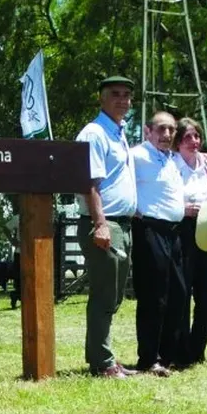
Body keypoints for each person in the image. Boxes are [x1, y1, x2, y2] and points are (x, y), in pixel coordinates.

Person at [75, 75, 139, 379]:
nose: (123, 100)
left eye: (127, 95)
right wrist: (100, 224)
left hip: (122, 224)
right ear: (101, 98)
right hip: (104, 224)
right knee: (104, 295)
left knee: (113, 296)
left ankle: (103, 357)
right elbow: (90, 183)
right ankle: (102, 362)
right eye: (115, 94)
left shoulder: (119, 132)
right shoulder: (94, 133)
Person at [130, 111, 186, 377]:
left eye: (171, 130)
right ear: (147, 131)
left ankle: (167, 356)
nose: (166, 135)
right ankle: (148, 359)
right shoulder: (137, 156)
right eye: (161, 129)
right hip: (150, 230)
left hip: (174, 233)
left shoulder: (172, 160)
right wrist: (133, 210)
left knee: (177, 293)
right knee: (154, 296)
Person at [172, 117, 207, 365]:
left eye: (196, 136)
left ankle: (197, 349)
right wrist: (183, 208)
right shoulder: (171, 165)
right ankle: (180, 352)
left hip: (205, 230)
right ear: (178, 141)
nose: (194, 141)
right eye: (188, 137)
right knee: (181, 292)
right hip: (181, 229)